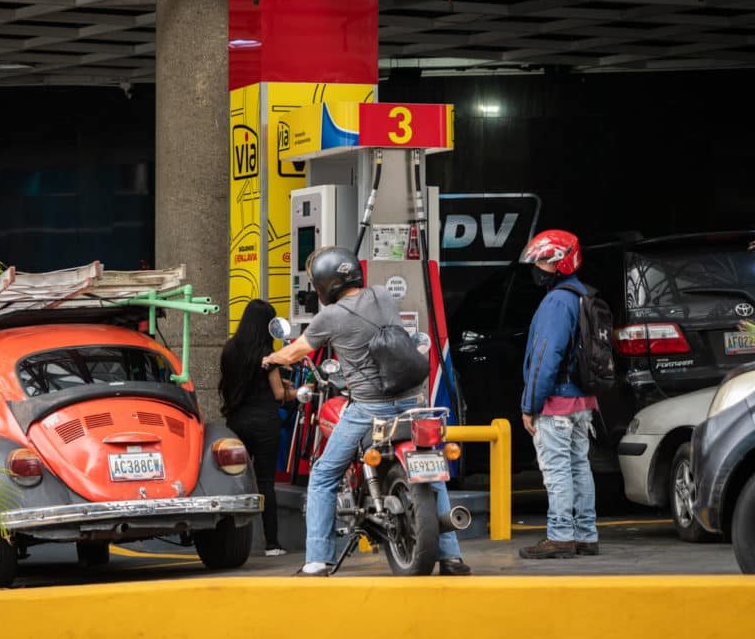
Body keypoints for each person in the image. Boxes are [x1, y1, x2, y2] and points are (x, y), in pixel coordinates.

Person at [262, 246, 469, 577]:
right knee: (431, 473)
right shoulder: (383, 295)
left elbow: (295, 352)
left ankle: (317, 559)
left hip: (369, 408)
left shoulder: (329, 317)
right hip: (413, 402)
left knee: (323, 475)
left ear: (325, 284)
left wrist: (271, 358)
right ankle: (452, 556)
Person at [517, 229, 600, 559]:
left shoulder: (556, 302)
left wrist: (529, 405)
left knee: (557, 472)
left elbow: (545, 358)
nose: (536, 267)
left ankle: (561, 536)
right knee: (580, 466)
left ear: (560, 263)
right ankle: (586, 535)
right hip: (582, 402)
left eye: (542, 261)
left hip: (556, 404)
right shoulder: (583, 295)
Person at [219, 299, 296, 557]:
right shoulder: (266, 354)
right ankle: (272, 544)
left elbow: (235, 384)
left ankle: (229, 539)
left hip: (237, 422)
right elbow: (277, 394)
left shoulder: (229, 350)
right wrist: (295, 392)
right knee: (265, 482)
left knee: (233, 482)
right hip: (264, 423)